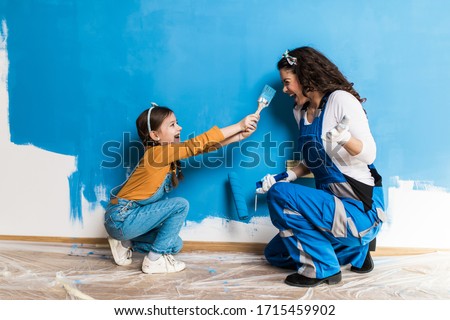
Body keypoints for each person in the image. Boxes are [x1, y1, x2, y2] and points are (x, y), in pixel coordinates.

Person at [259, 47, 385, 287]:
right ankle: (356, 253)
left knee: (279, 196)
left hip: (360, 209)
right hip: (333, 208)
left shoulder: (340, 100)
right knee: (275, 254)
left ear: (305, 77)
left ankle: (323, 270)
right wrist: (287, 176)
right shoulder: (301, 112)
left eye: (287, 83)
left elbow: (369, 155)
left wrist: (343, 138)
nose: (284, 90)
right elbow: (315, 159)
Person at [104, 103, 259, 274]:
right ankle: (153, 261)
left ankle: (125, 242)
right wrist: (239, 125)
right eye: (172, 125)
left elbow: (202, 148)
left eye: (177, 122)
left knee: (174, 243)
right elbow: (197, 144)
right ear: (155, 135)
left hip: (127, 221)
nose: (179, 127)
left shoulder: (166, 154)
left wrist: (238, 137)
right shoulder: (156, 154)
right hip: (121, 218)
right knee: (180, 205)